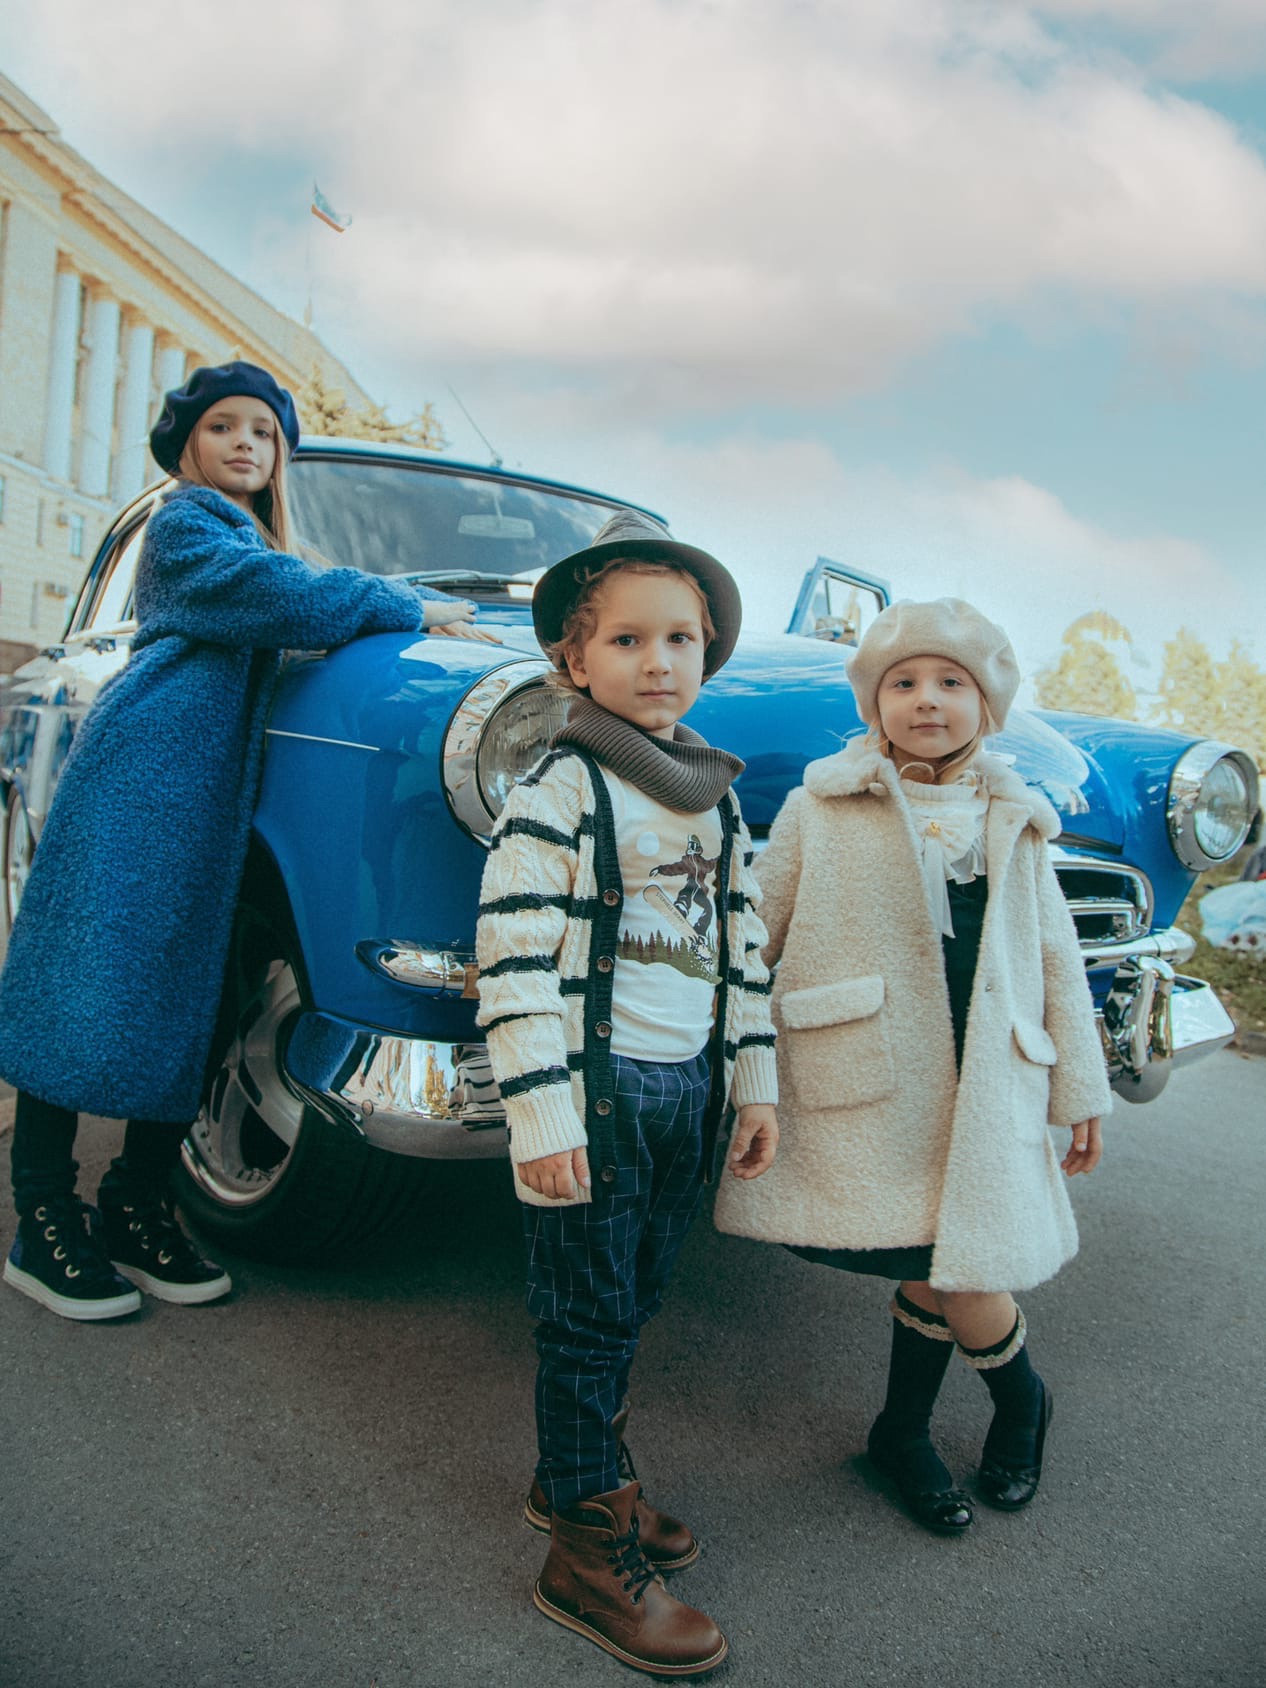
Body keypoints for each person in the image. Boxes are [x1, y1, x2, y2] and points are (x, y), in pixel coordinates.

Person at [1, 360, 491, 1322]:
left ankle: (135, 1202)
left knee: (192, 992)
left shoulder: (266, 544)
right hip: (141, 775)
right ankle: (42, 1219)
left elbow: (291, 592)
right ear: (188, 445)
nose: (245, 444)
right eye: (223, 426)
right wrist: (409, 605)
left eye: (263, 432)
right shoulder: (190, 523)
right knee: (84, 977)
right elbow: (273, 593)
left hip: (205, 796)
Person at [714, 598, 1111, 1535]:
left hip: (989, 1077)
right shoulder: (821, 807)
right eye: (902, 682)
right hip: (880, 1071)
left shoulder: (1015, 820)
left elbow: (1056, 960)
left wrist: (1081, 1089)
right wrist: (733, 1060)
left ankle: (961, 1416)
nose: (926, 699)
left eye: (951, 682)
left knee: (958, 1260)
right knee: (939, 1255)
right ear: (874, 705)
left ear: (988, 707)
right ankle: (971, 1413)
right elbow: (753, 936)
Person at [475, 510, 779, 1676]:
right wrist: (541, 1113)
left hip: (683, 1091)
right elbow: (511, 959)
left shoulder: (716, 796)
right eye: (629, 640)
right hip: (595, 1094)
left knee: (637, 1293)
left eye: (682, 639)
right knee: (586, 1316)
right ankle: (584, 1558)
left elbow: (741, 946)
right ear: (574, 658)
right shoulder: (560, 787)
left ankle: (576, 1476)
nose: (660, 663)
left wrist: (752, 1083)